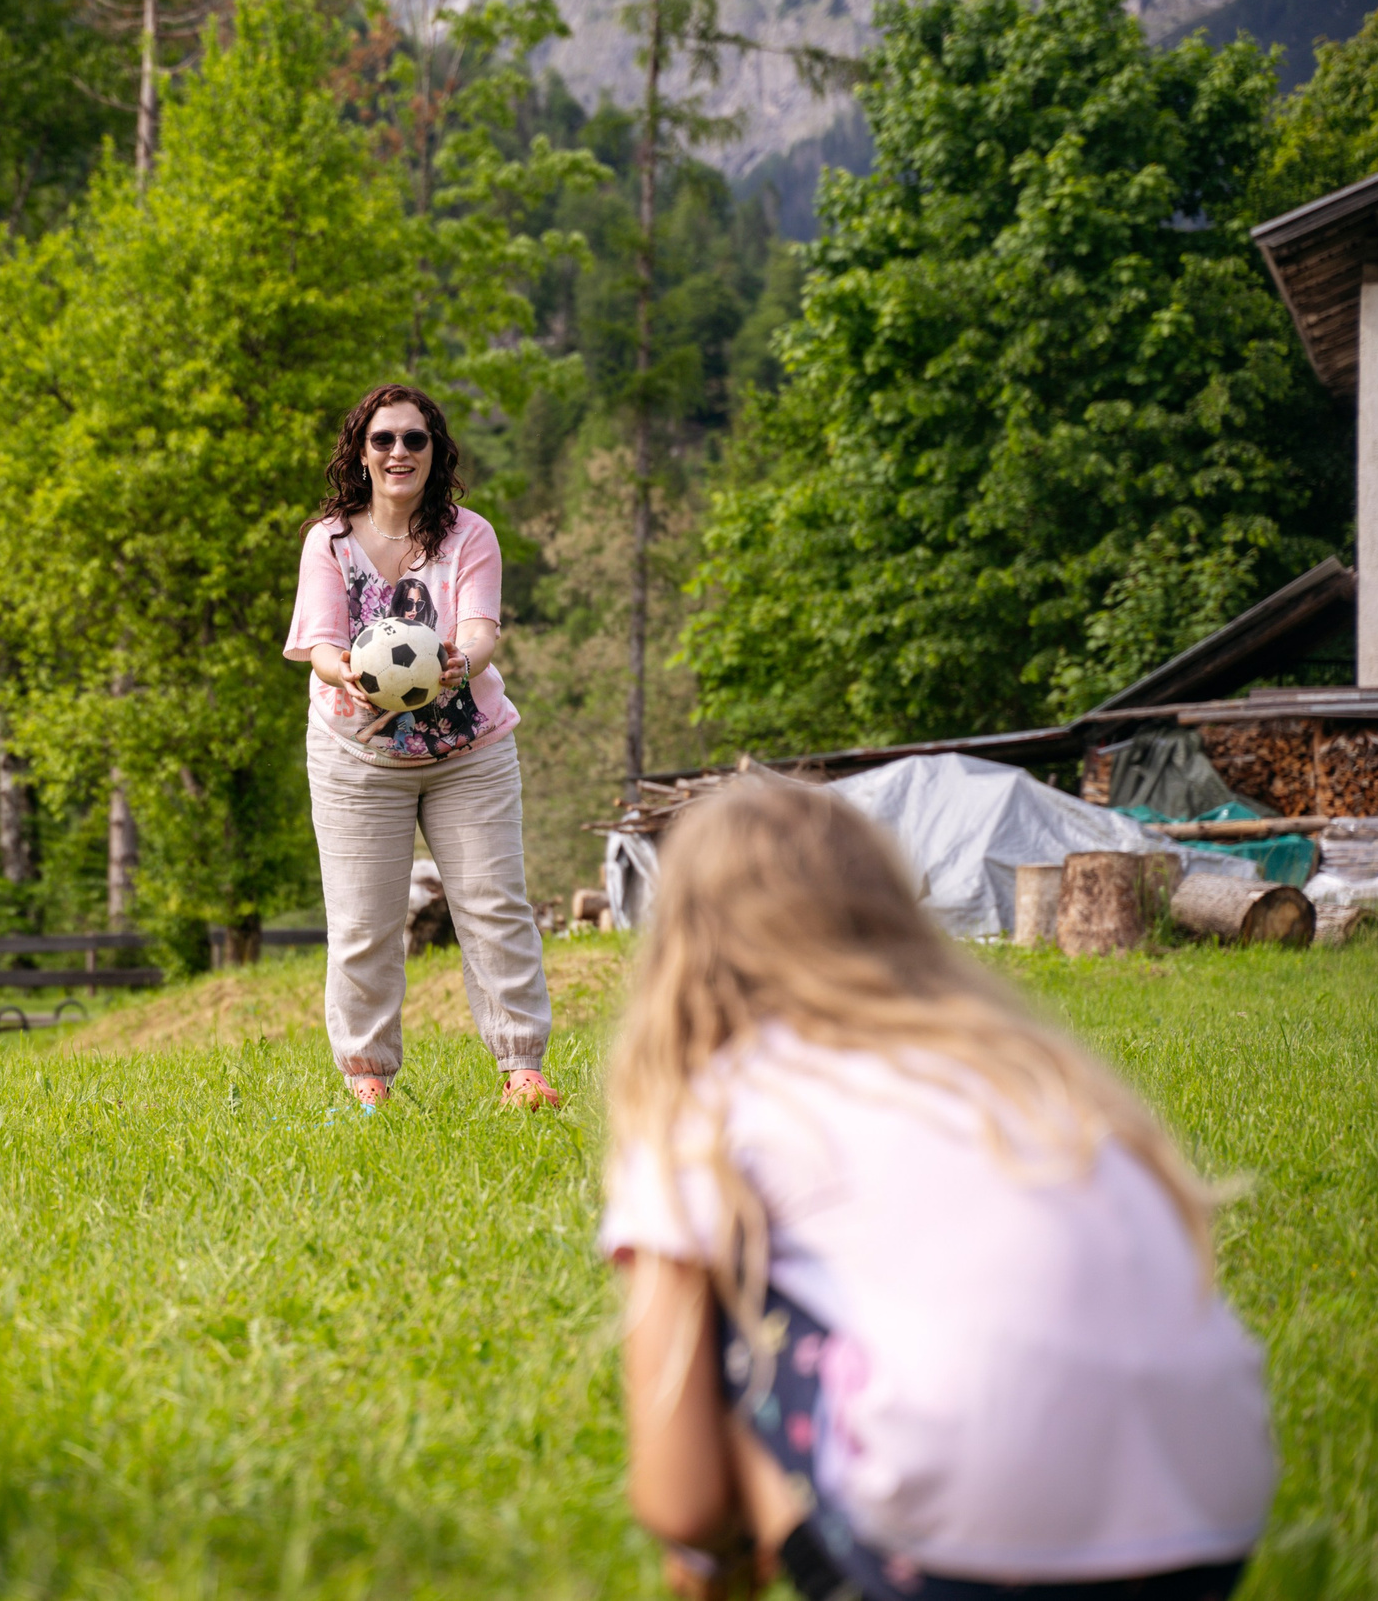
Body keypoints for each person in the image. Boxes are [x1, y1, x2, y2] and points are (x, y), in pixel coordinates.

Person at [601, 778, 1272, 1601]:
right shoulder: (1021, 1066)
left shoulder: (713, 1101)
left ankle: (803, 1575)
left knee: (731, 1304)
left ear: (681, 939)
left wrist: (702, 1550)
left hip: (964, 1552)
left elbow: (681, 1498)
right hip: (1214, 1517)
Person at [283, 383, 558, 1111]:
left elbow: (480, 631)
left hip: (468, 750)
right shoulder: (329, 541)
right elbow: (319, 646)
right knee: (364, 923)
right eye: (384, 440)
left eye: (415, 439)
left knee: (495, 905)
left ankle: (522, 1070)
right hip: (357, 760)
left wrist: (456, 663)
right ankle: (368, 1079)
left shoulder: (471, 534)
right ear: (361, 454)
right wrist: (351, 672)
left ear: (436, 452)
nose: (399, 452)